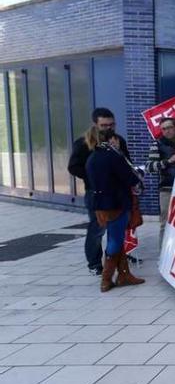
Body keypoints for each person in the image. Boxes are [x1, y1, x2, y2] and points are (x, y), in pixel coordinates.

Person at [67, 107, 130, 275]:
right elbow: (73, 167)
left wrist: (119, 152)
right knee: (97, 228)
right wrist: (93, 178)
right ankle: (94, 263)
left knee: (117, 227)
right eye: (104, 125)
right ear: (95, 124)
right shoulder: (83, 143)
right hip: (96, 193)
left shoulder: (119, 140)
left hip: (117, 193)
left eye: (112, 125)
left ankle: (116, 258)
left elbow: (127, 165)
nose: (108, 128)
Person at [85, 127, 145, 292]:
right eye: (115, 139)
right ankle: (106, 279)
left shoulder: (92, 157)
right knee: (115, 241)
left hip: (100, 204)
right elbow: (129, 178)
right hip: (116, 203)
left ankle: (124, 274)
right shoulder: (112, 156)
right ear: (110, 139)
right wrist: (138, 177)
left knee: (115, 238)